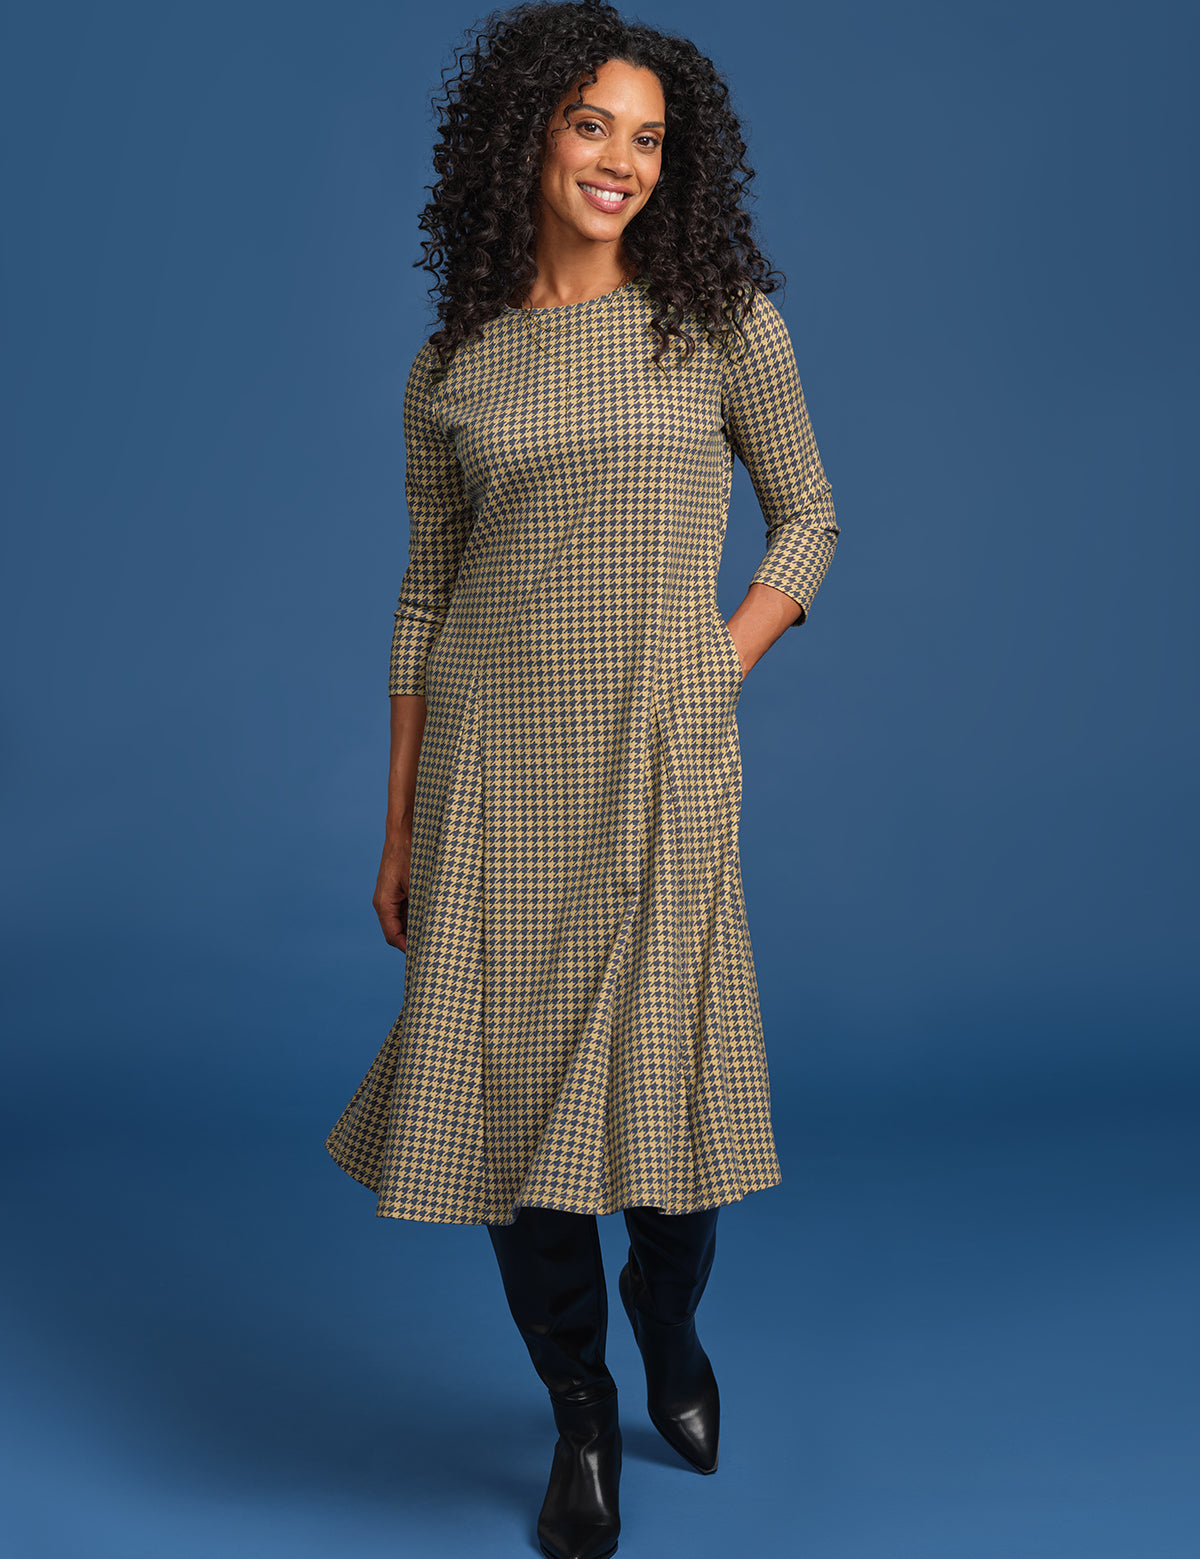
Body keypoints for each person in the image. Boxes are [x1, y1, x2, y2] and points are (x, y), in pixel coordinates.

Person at [325, 3, 840, 1555]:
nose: (621, 159)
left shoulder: (720, 318)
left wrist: (717, 657)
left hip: (659, 763)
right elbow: (425, 600)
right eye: (591, 125)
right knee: (514, 1120)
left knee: (670, 1129)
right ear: (526, 139)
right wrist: (401, 818)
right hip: (490, 777)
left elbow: (810, 517)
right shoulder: (453, 366)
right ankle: (580, 1415)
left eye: (648, 136)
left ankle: (666, 1335)